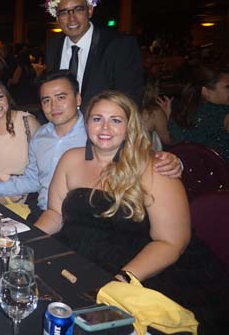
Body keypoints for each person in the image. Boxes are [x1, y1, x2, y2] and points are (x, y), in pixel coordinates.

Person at [35, 90, 228, 333]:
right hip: (82, 259)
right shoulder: (71, 159)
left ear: (130, 126)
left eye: (116, 120)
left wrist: (124, 278)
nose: (105, 127)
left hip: (145, 270)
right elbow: (55, 213)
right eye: (97, 119)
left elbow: (172, 242)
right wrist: (26, 240)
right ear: (87, 123)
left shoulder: (155, 169)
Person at [0, 71, 181, 217]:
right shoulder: (40, 136)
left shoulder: (99, 132)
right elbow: (32, 179)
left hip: (87, 217)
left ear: (78, 98)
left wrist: (173, 161)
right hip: (45, 212)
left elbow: (138, 157)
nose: (54, 106)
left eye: (61, 97)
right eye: (46, 100)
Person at [44, 0, 144, 110]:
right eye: (64, 12)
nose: (71, 18)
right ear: (57, 18)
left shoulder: (119, 45)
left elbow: (130, 99)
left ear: (90, 10)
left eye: (78, 9)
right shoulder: (53, 46)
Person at [162, 65, 229, 161]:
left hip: (192, 169)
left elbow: (172, 141)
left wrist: (169, 117)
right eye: (227, 87)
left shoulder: (182, 111)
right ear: (206, 91)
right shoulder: (219, 112)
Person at [140, 77, 171, 151]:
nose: (159, 90)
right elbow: (168, 141)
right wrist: (167, 115)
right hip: (146, 156)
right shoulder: (154, 112)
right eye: (158, 87)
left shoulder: (128, 106)